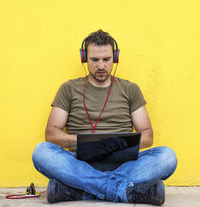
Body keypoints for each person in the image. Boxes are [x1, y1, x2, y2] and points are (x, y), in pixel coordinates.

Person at [32, 29, 177, 205]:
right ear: (84, 58)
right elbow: (51, 134)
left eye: (106, 59)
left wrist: (117, 144)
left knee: (167, 156)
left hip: (124, 164)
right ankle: (123, 191)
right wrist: (84, 142)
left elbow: (148, 135)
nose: (101, 66)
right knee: (41, 152)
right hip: (79, 164)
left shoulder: (130, 89)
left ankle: (81, 191)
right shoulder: (68, 88)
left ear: (115, 58)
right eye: (94, 60)